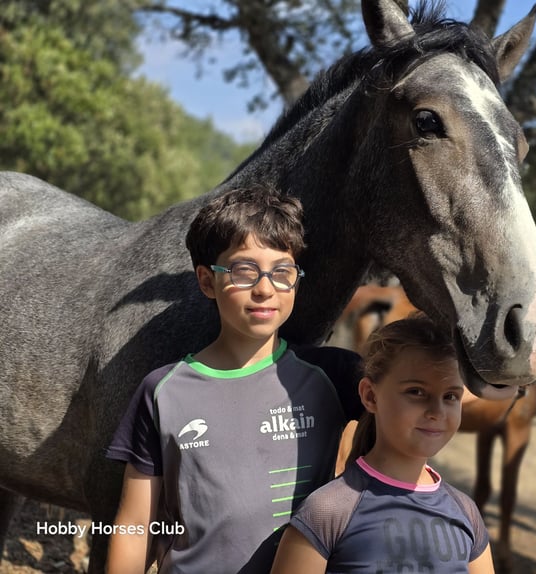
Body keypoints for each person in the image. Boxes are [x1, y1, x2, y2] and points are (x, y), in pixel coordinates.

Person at [105, 186, 363, 573]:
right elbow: (136, 526)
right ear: (207, 282)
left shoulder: (335, 376)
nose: (264, 288)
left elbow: (420, 402)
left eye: (282, 272)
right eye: (244, 271)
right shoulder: (162, 391)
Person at [270, 313, 495, 574]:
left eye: (450, 396)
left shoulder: (465, 511)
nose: (436, 411)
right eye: (416, 392)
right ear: (370, 396)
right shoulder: (328, 512)